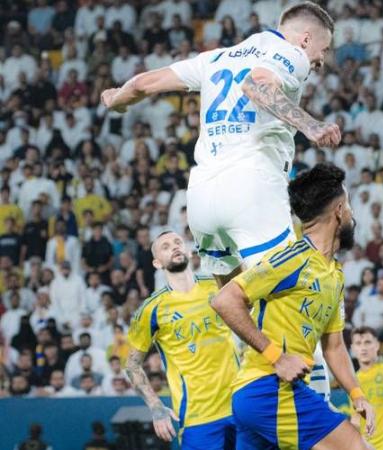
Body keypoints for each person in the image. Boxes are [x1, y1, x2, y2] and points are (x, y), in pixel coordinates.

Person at [102, 0, 340, 408]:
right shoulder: (290, 54)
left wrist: (117, 99)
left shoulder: (216, 57)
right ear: (305, 38)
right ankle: (315, 418)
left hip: (202, 198)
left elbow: (142, 84)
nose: (321, 60)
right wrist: (311, 125)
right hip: (252, 188)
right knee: (295, 300)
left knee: (233, 300)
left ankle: (255, 405)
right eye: (323, 49)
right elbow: (257, 85)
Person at [210, 164, 374, 449]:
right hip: (269, 388)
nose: (351, 215)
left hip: (259, 397)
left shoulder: (334, 274)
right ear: (338, 210)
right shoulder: (293, 259)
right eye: (348, 207)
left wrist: (356, 393)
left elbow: (334, 347)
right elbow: (224, 300)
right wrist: (278, 357)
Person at [125, 231, 237, 449]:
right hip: (198, 418)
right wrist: (156, 407)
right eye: (165, 246)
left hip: (241, 407)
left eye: (178, 242)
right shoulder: (151, 310)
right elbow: (132, 365)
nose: (174, 247)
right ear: (157, 263)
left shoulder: (217, 287)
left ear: (188, 250)